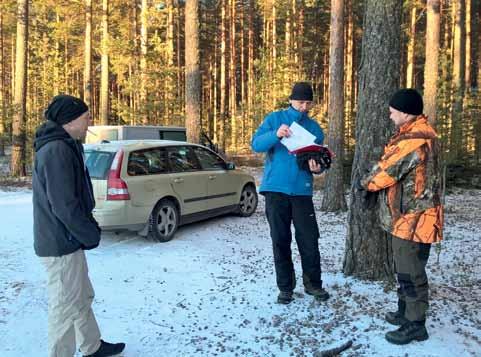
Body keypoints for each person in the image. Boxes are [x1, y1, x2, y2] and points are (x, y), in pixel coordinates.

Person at [33, 95, 126, 357]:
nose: (89, 123)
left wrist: (86, 228)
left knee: (81, 296)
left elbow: (75, 197)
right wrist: (88, 233)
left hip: (70, 239)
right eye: (86, 117)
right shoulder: (55, 150)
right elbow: (64, 205)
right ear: (69, 120)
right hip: (60, 243)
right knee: (64, 306)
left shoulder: (67, 144)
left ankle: (91, 345)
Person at [356, 88, 443, 345]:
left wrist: (365, 182)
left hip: (415, 218)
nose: (390, 115)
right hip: (412, 215)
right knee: (405, 267)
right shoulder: (415, 134)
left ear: (405, 113)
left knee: (411, 270)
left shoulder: (414, 140)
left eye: (393, 111)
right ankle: (405, 312)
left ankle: (416, 324)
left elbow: (387, 172)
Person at [251, 82, 330, 304]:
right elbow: (256, 144)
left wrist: (318, 168)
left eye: (308, 102)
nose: (304, 106)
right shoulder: (274, 119)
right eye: (300, 102)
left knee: (309, 239)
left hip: (301, 191)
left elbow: (319, 159)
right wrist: (276, 134)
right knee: (280, 239)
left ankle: (313, 284)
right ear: (291, 100)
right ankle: (285, 287)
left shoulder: (315, 129)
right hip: (275, 189)